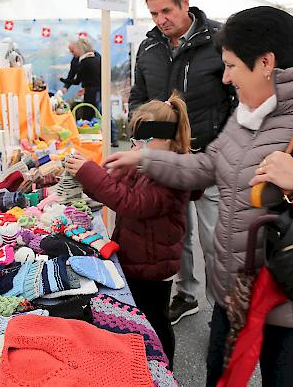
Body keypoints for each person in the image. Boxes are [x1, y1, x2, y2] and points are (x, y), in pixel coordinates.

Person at [105, 6, 293, 387]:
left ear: (265, 62)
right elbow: (209, 165)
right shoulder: (249, 112)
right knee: (222, 377)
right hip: (236, 290)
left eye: (230, 66)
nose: (225, 78)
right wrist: (146, 159)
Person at [129, 0, 236, 322]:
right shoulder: (148, 48)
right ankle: (186, 293)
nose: (161, 19)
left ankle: (222, 310)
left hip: (208, 158)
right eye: (154, 13)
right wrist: (141, 140)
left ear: (185, 3)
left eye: (167, 10)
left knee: (214, 238)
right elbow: (138, 98)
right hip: (165, 162)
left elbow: (237, 101)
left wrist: (225, 147)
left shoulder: (220, 41)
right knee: (178, 233)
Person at [65, 94, 197, 369]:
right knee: (140, 314)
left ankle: (163, 368)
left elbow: (132, 203)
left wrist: (91, 173)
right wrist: (89, 174)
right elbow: (113, 189)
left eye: (145, 142)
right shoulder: (143, 165)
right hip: (136, 255)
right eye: (136, 141)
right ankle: (144, 359)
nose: (138, 147)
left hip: (155, 263)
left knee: (156, 319)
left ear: (168, 140)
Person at [70, 38, 119, 146]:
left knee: (97, 114)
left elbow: (78, 79)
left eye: (74, 50)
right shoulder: (97, 57)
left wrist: (64, 80)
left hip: (94, 91)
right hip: (100, 89)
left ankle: (103, 138)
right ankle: (113, 138)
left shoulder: (85, 61)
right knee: (106, 114)